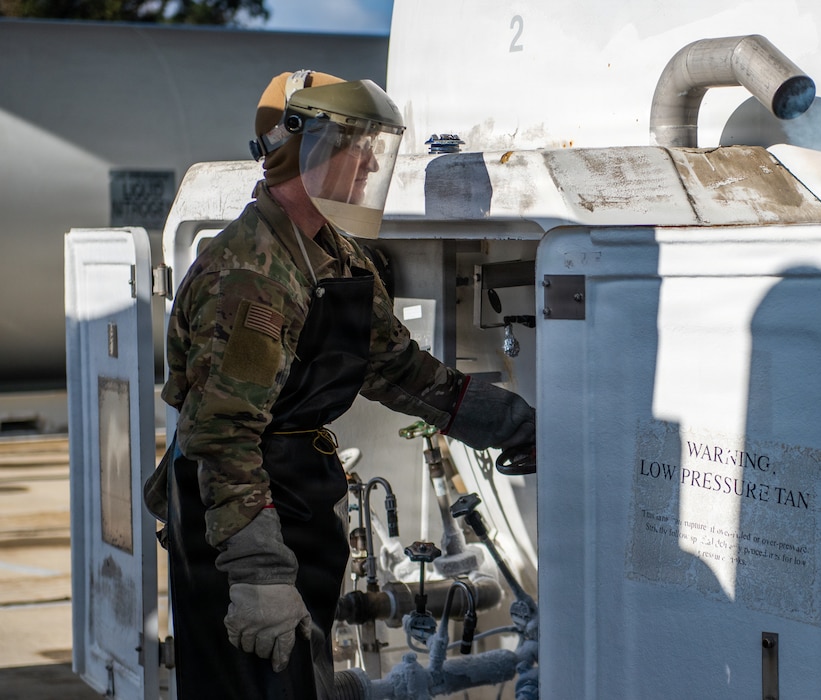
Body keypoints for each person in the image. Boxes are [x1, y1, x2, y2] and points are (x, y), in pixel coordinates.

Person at [142, 70, 536, 698]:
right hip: (240, 515)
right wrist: (258, 576)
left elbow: (403, 373)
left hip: (296, 496)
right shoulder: (254, 274)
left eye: (374, 150)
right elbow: (223, 436)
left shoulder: (337, 256)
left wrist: (513, 425)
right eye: (356, 148)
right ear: (303, 151)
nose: (368, 165)